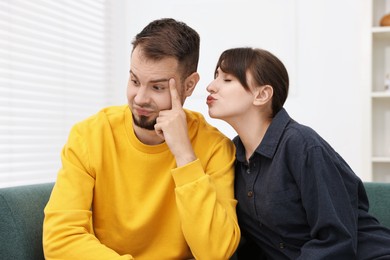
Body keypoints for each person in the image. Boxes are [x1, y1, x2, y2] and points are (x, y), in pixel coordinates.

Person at [43, 18, 241, 260]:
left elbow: (216, 252)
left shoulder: (215, 148)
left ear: (189, 85)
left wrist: (185, 156)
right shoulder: (90, 135)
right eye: (135, 81)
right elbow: (60, 238)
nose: (140, 98)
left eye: (157, 88)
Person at [206, 47, 390, 259]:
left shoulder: (302, 145)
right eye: (216, 77)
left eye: (227, 80)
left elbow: (336, 239)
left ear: (262, 95)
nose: (211, 87)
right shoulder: (231, 157)